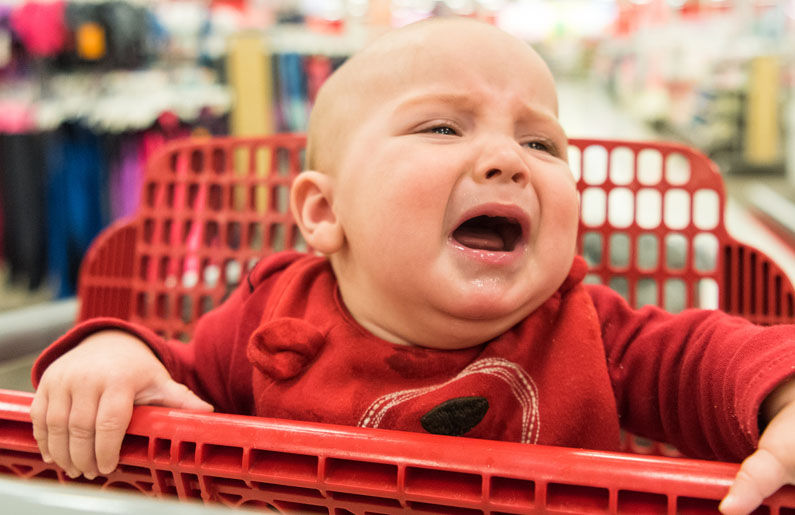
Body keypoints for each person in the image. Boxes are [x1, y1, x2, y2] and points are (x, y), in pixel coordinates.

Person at [30, 17, 795, 515]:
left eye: (541, 144)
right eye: (442, 126)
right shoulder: (271, 318)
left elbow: (711, 357)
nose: (505, 160)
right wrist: (113, 352)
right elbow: (178, 375)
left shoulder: (592, 328)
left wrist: (782, 396)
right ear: (324, 213)